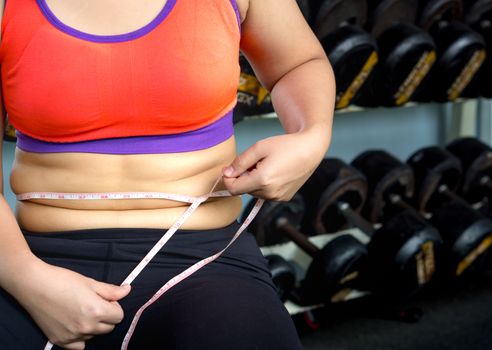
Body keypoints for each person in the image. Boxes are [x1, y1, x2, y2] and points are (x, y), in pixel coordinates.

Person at [0, 0, 335, 349]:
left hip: (203, 260)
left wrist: (311, 136)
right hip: (34, 257)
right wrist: (28, 281)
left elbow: (298, 64)